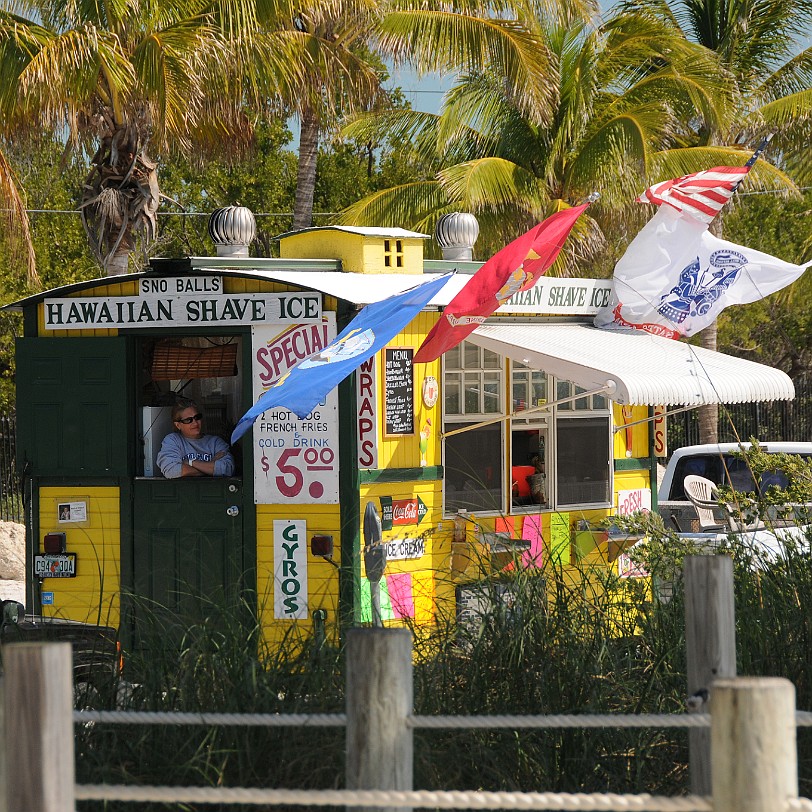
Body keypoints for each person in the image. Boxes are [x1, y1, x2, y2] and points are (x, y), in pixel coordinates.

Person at [157, 398, 235, 479]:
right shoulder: (172, 440)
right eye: (188, 420)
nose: (195, 423)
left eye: (197, 417)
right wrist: (211, 467)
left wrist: (190, 463)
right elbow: (171, 471)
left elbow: (227, 469)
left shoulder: (216, 442)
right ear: (178, 425)